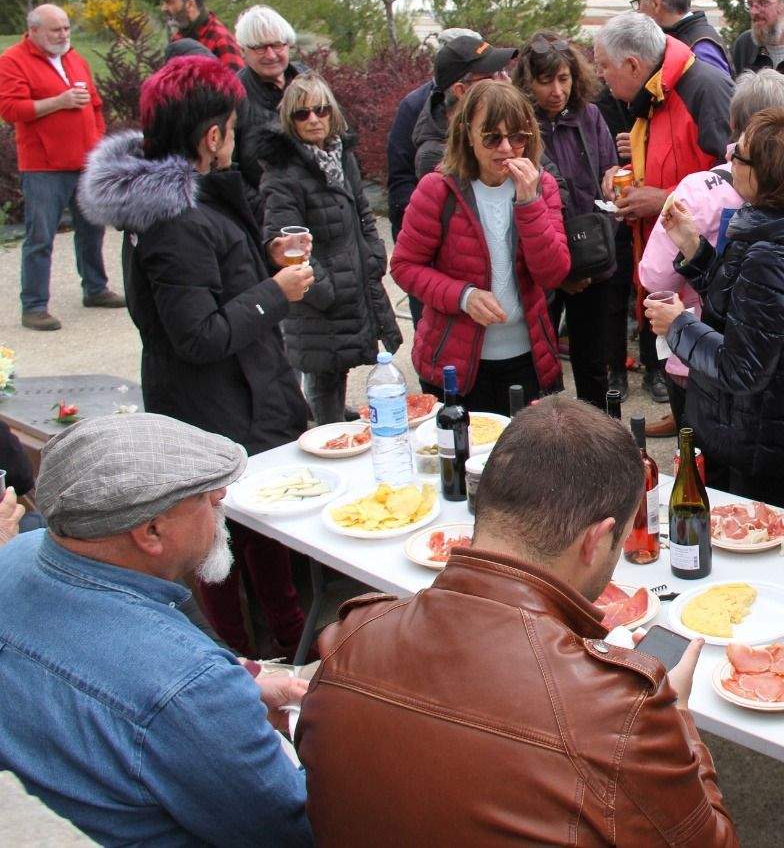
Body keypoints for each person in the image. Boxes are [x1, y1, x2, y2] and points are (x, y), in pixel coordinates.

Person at [296, 397, 738, 845]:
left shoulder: (351, 636)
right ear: (597, 539)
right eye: (621, 539)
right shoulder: (623, 712)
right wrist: (677, 714)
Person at [79, 56, 313, 657]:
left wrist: (264, 255)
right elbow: (197, 334)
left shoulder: (178, 203)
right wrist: (275, 293)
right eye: (232, 128)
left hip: (234, 397)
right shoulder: (174, 220)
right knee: (222, 550)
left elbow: (208, 280)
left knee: (256, 543)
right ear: (212, 137)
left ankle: (283, 644)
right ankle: (252, 660)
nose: (235, 138)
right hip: (218, 409)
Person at [0, 413, 311, 846]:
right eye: (206, 498)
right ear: (151, 531)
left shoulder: (16, 555)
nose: (221, 496)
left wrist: (233, 693)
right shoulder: (189, 688)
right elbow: (297, 829)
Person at [643, 105, 784, 517]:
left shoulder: (770, 251)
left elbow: (743, 368)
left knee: (782, 537)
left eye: (738, 156)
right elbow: (751, 309)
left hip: (769, 438)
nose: (728, 160)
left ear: (764, 176)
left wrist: (679, 328)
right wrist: (695, 250)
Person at [392, 81, 571, 414]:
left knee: (521, 462)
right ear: (467, 135)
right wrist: (464, 296)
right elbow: (404, 266)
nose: (506, 148)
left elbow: (553, 273)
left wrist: (529, 202)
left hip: (526, 358)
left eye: (518, 137)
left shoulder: (540, 184)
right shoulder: (438, 189)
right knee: (461, 459)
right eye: (492, 137)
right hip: (455, 362)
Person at [640, 69, 784, 427]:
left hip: (701, 349)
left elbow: (654, 276)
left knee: (704, 464)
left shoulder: (700, 189)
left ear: (734, 122)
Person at [594, 11, 734, 409]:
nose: (602, 77)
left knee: (701, 400)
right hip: (668, 275)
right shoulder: (655, 93)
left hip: (704, 282)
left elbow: (737, 179)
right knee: (682, 388)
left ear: (633, 64)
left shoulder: (701, 89)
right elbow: (668, 162)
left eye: (604, 67)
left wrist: (659, 200)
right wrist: (624, 175)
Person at [259, 72, 403, 425]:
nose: (313, 119)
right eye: (302, 113)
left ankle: (334, 418)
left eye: (321, 110)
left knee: (339, 366)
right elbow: (284, 242)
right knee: (323, 372)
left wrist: (373, 255)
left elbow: (363, 212)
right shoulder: (282, 172)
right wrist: (324, 289)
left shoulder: (342, 156)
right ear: (289, 119)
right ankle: (328, 431)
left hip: (352, 282)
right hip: (319, 296)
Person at [513, 31, 619, 409]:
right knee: (543, 367)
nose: (556, 91)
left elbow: (610, 172)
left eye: (563, 79)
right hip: (543, 263)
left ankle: (599, 443)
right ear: (528, 83)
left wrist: (615, 184)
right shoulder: (520, 126)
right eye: (545, 82)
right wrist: (560, 272)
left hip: (592, 257)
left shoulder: (589, 116)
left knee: (593, 364)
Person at [0, 3, 121, 331]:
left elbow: (95, 104)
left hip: (84, 161)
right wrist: (59, 102)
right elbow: (11, 109)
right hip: (44, 167)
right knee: (40, 236)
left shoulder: (74, 58)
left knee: (92, 229)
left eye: (66, 28)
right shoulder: (13, 61)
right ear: (34, 30)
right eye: (56, 30)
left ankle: (95, 289)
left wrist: (96, 140)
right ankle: (34, 306)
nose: (64, 35)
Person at [385, 27, 480, 246]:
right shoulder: (414, 105)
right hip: (429, 229)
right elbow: (401, 176)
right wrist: (418, 225)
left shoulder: (491, 100)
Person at [412, 33, 517, 181]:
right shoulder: (435, 157)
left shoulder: (510, 126)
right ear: (461, 91)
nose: (506, 81)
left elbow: (551, 178)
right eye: (492, 77)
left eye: (502, 72)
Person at [231, 4, 301, 207]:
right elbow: (227, 170)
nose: (270, 55)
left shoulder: (310, 83)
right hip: (265, 218)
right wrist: (264, 210)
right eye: (259, 47)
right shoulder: (233, 98)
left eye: (277, 45)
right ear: (243, 50)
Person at [634, 0, 731, 75]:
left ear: (655, 3)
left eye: (639, 1)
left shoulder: (701, 49)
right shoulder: (671, 38)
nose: (638, 10)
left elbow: (716, 91)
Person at [154, 0, 244, 70]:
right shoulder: (179, 37)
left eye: (170, 2)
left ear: (190, 4)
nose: (164, 8)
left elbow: (235, 83)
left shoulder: (221, 39)